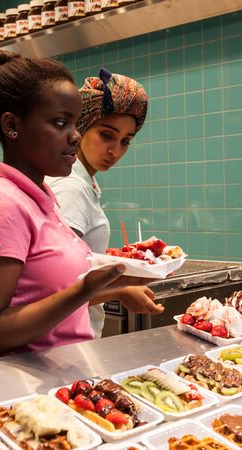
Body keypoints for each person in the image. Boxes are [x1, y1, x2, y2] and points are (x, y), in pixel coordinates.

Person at [0, 50, 164, 361]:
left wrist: (109, 286)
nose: (74, 136)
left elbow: (44, 291)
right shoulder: (0, 206)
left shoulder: (41, 199)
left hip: (63, 380)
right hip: (28, 392)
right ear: (13, 125)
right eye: (60, 123)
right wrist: (84, 290)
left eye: (75, 124)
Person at [46, 68, 148, 338]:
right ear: (80, 127)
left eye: (125, 141)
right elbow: (56, 288)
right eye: (106, 135)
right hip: (65, 342)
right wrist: (121, 290)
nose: (115, 150)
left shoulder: (84, 182)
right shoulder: (70, 187)